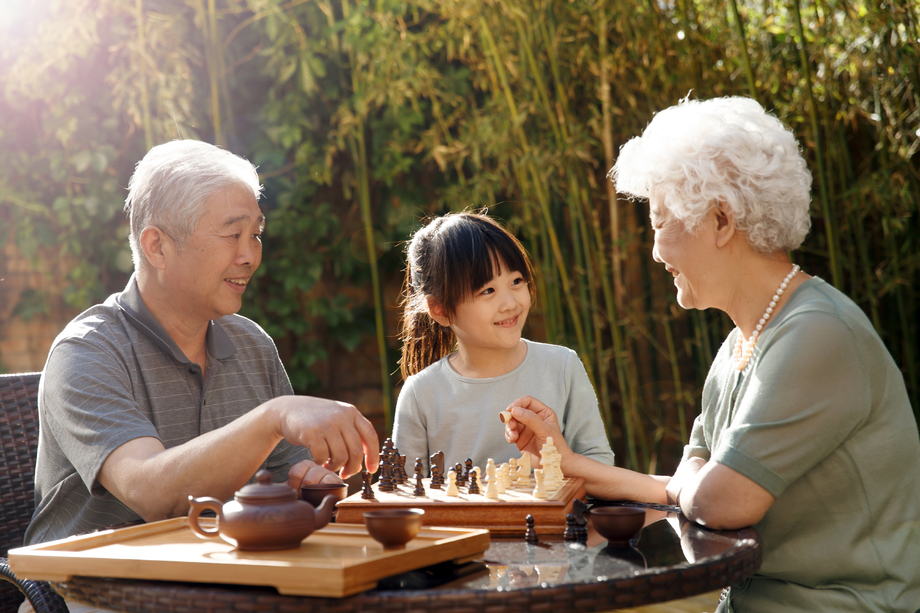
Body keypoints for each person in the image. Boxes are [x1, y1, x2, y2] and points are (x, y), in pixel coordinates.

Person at [504, 97, 920, 612]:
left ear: (721, 219)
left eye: (659, 221)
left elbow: (717, 500)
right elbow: (682, 487)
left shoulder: (818, 335)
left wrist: (697, 480)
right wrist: (566, 462)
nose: (654, 251)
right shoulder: (741, 342)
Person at [26, 140, 379, 551]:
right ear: (157, 246)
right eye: (233, 234)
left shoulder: (252, 344)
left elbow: (286, 479)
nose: (250, 255)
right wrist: (272, 416)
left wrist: (309, 486)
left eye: (256, 234)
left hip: (215, 578)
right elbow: (153, 492)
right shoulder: (87, 352)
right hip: (85, 591)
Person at [391, 212, 615, 475]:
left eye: (516, 281)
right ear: (440, 309)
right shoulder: (421, 394)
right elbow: (405, 492)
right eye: (488, 291)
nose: (510, 303)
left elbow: (600, 464)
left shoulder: (562, 366)